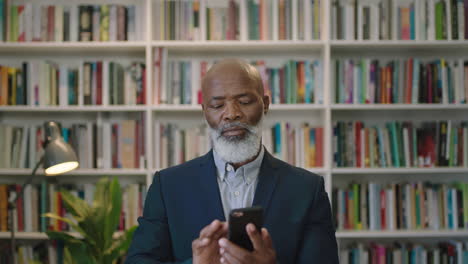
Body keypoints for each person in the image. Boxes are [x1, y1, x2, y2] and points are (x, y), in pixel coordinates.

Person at [125, 59, 339, 264]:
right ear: (205, 112)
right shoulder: (168, 185)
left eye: (244, 102)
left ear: (265, 104)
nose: (231, 114)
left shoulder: (307, 190)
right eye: (217, 106)